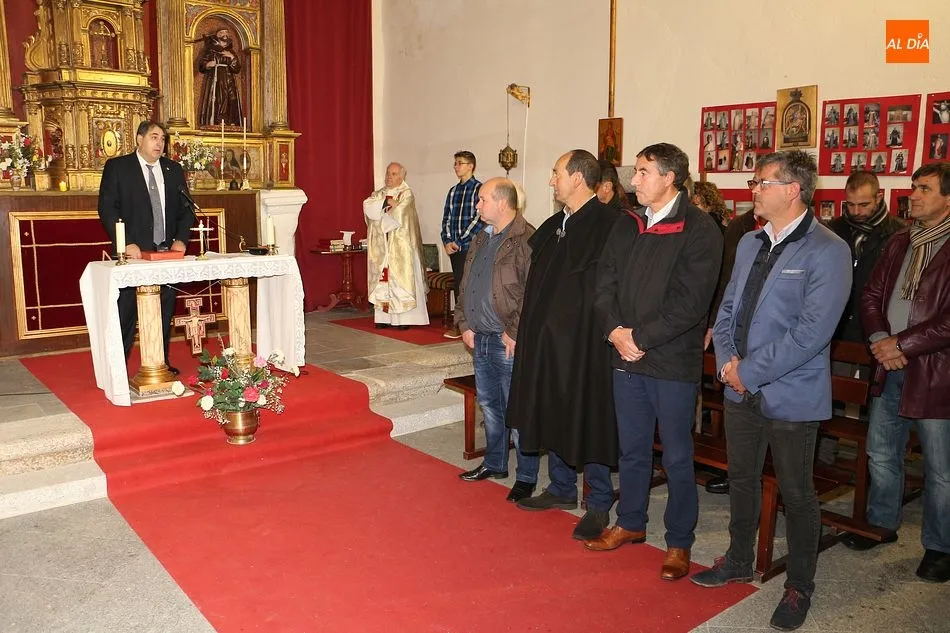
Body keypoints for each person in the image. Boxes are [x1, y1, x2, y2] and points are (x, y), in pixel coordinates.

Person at [691, 150, 852, 632]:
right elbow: (728, 310)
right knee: (741, 479)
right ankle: (739, 559)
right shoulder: (749, 241)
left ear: (793, 190)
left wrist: (750, 371)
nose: (754, 190)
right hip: (740, 386)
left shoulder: (827, 249)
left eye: (762, 183)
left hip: (790, 391)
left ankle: (799, 585)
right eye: (754, 182)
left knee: (797, 493)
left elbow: (812, 333)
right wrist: (728, 364)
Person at [586, 143, 723, 583]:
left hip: (670, 361)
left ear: (670, 177)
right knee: (631, 449)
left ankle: (679, 540)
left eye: (644, 172)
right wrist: (614, 331)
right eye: (637, 171)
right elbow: (603, 282)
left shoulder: (699, 229)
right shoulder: (627, 223)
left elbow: (690, 303)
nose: (635, 179)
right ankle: (630, 521)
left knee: (678, 456)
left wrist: (638, 339)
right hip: (625, 355)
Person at [507, 149, 618, 541]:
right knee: (551, 406)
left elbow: (608, 288)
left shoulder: (609, 224)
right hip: (547, 342)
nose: (551, 180)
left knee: (588, 415)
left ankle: (598, 501)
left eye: (556, 173)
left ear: (577, 178)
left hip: (586, 344)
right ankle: (561, 487)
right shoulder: (556, 224)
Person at [856, 162, 950, 584]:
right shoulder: (900, 240)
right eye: (914, 187)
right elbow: (872, 294)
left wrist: (903, 344)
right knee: (881, 452)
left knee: (941, 468)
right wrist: (881, 339)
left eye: (925, 189)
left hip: (936, 372)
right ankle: (881, 525)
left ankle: (940, 547)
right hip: (889, 365)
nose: (913, 195)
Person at [455, 178, 539, 502]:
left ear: (502, 202)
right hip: (480, 337)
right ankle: (495, 462)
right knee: (490, 406)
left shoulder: (526, 239)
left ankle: (526, 476)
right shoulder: (481, 238)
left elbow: (533, 293)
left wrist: (514, 331)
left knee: (517, 410)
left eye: (482, 199)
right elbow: (466, 284)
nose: (477, 205)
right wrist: (464, 323)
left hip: (508, 340)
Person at [97, 121, 193, 374]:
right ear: (139, 139)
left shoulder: (173, 169)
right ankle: (116, 367)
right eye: (154, 137)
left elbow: (186, 210)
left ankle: (159, 361)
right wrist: (126, 242)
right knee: (126, 311)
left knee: (164, 310)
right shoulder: (118, 167)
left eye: (163, 138)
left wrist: (181, 239)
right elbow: (107, 208)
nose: (159, 143)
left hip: (166, 254)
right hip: (134, 253)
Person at [828, 171, 904, 343]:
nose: (856, 211)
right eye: (850, 204)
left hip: (878, 327)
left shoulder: (899, 233)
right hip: (837, 325)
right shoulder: (833, 229)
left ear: (878, 198)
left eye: (864, 204)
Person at [363, 162, 429, 329]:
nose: (389, 177)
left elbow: (401, 214)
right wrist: (387, 203)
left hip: (402, 246)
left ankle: (405, 319)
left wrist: (384, 210)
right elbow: (368, 207)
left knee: (401, 280)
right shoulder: (379, 193)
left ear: (402, 176)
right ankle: (384, 317)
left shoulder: (406, 193)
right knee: (383, 279)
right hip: (382, 247)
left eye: (393, 174)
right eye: (388, 173)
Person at [440, 151, 482, 339]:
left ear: (470, 166)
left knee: (470, 285)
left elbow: (478, 219)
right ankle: (459, 324)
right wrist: (447, 241)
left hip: (470, 247)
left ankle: (474, 324)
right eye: (455, 163)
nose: (456, 166)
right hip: (454, 248)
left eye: (460, 163)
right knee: (459, 285)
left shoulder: (479, 189)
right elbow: (446, 218)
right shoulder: (453, 191)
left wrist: (459, 241)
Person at [197, 28, 243, 127]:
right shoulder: (211, 50)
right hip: (216, 79)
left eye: (226, 32)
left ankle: (231, 121)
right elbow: (202, 65)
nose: (225, 34)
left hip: (229, 79)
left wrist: (232, 57)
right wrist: (208, 64)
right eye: (222, 32)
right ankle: (218, 121)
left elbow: (237, 69)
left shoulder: (231, 52)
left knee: (232, 98)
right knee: (219, 98)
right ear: (217, 35)